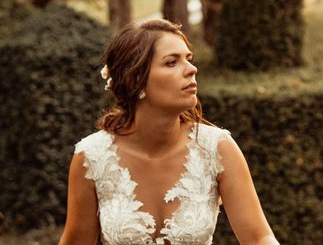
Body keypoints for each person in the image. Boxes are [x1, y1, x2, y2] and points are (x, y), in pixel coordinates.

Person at [59, 19, 279, 245]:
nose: (192, 69)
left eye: (188, 59)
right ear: (136, 79)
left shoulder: (217, 148)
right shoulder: (91, 157)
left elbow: (259, 238)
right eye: (172, 62)